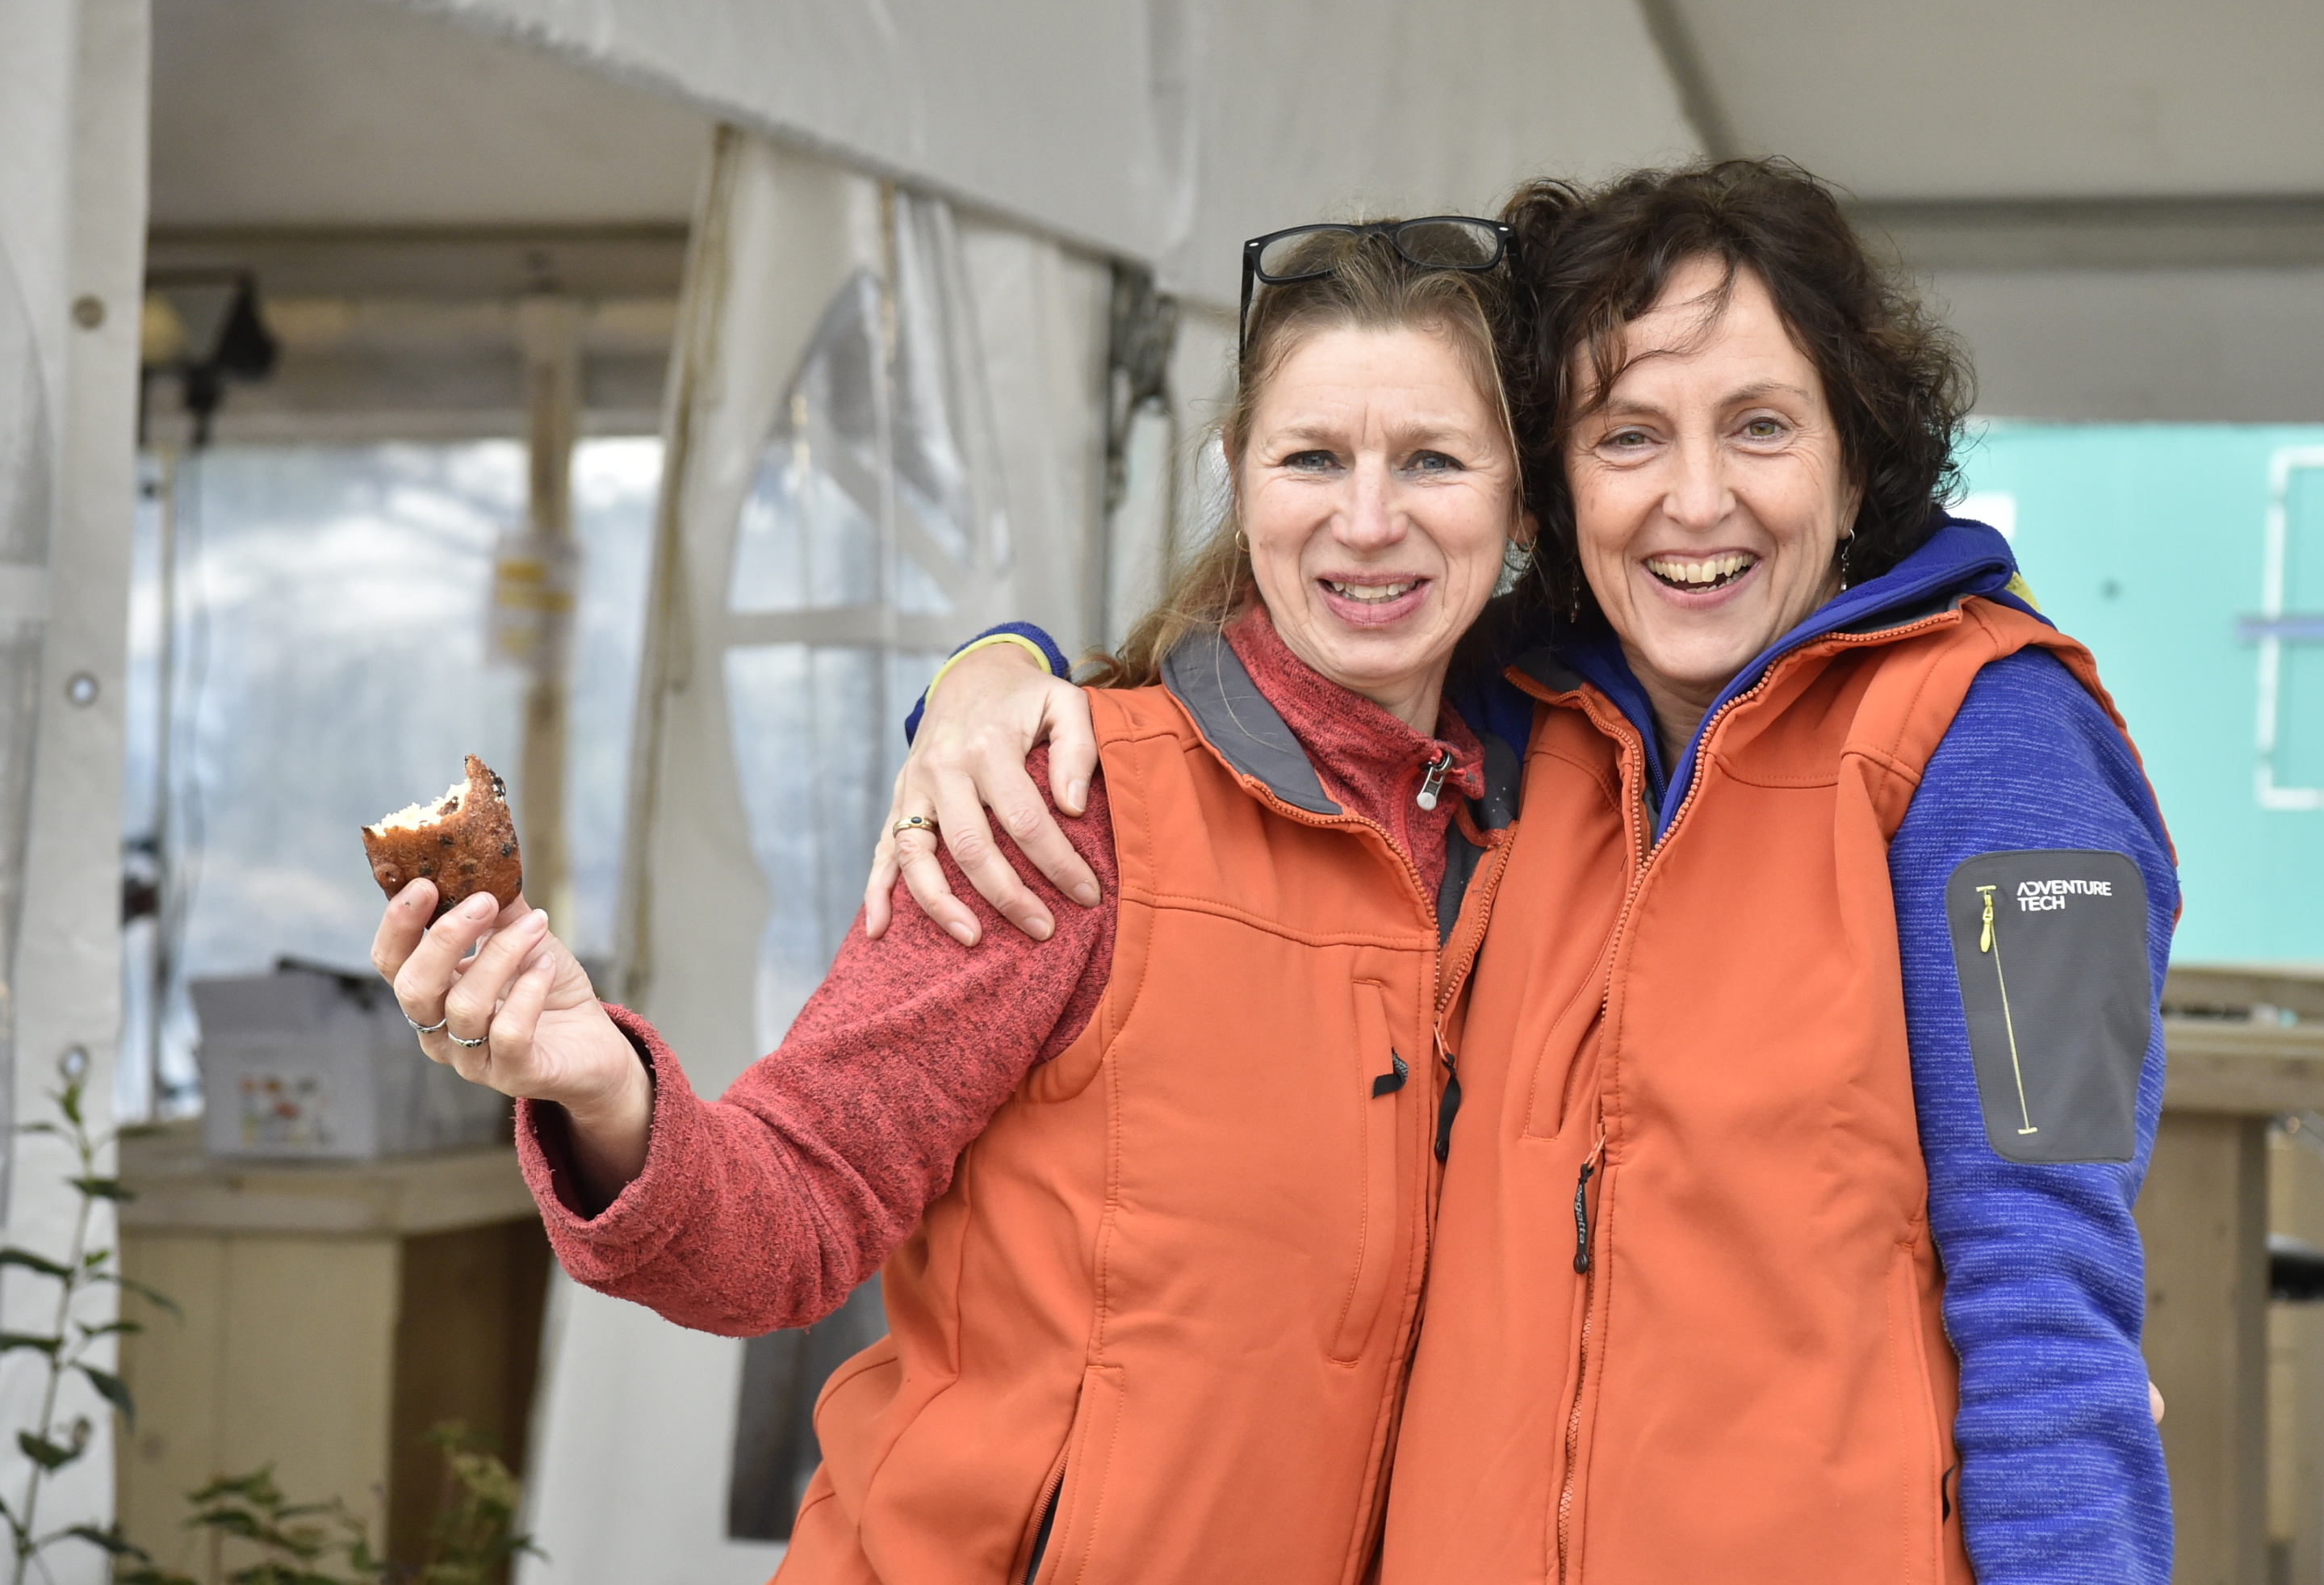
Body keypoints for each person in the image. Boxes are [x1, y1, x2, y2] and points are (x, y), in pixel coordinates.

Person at [884, 158, 2180, 1582]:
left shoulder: (2009, 749)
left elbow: (2050, 1298)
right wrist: (988, 672)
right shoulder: (1501, 716)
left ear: (1856, 461)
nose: (1696, 499)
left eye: (1759, 426)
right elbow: (1242, 689)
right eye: (1628, 435)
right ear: (1551, 485)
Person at [370, 220, 1539, 1583]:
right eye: (1312, 458)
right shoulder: (1067, 803)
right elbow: (791, 1213)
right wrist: (607, 1093)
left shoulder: (1549, 827)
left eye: (1433, 459)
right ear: (1235, 475)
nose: (1369, 519)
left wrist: (988, 656)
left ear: (1523, 499)